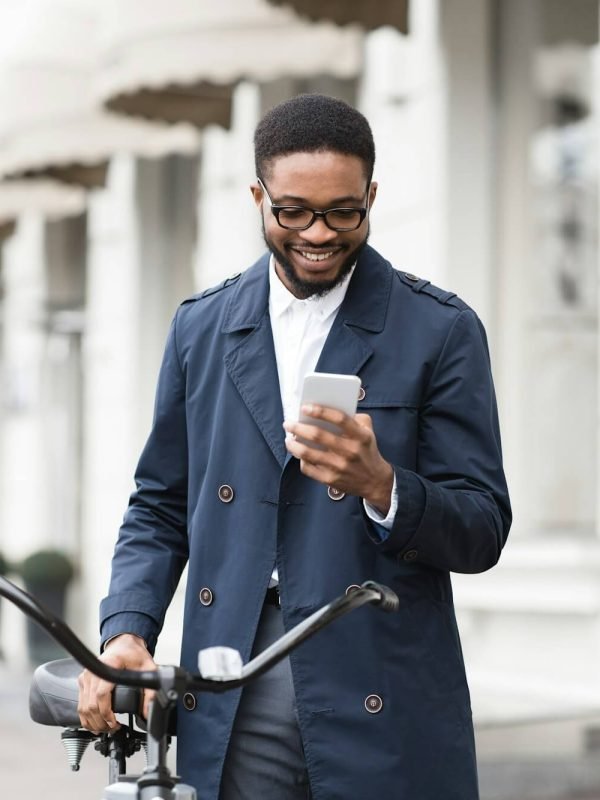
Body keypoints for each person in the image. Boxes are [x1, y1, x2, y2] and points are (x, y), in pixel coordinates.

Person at [78, 93, 511, 800]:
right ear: (258, 196)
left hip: (379, 672)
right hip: (236, 670)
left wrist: (384, 486)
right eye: (294, 211)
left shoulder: (439, 329)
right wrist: (126, 631)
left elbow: (483, 529)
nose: (319, 232)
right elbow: (160, 505)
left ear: (372, 196)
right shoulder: (203, 327)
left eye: (344, 211)